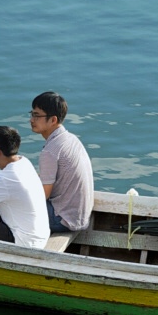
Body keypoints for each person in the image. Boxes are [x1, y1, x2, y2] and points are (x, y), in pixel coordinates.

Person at [27, 91, 94, 234]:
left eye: (37, 116)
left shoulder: (50, 151)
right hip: (79, 217)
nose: (31, 120)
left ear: (53, 120)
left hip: (62, 219)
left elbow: (43, 195)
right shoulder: (70, 139)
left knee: (7, 203)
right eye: (32, 114)